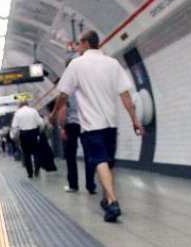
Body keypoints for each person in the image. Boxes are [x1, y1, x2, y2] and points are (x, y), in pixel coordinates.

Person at [49, 30, 145, 222]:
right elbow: (126, 95)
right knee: (109, 163)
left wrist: (53, 114)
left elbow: (64, 95)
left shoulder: (76, 65)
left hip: (91, 124)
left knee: (99, 160)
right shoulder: (112, 63)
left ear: (84, 43)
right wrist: (135, 120)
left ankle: (113, 200)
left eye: (78, 44)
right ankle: (107, 200)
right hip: (111, 122)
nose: (76, 48)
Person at [61, 89, 96, 194]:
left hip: (71, 125)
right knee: (89, 155)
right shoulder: (87, 90)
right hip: (86, 124)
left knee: (71, 155)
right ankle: (91, 186)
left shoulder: (67, 91)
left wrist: (62, 127)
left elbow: (63, 110)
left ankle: (73, 185)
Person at [11, 100, 44, 178]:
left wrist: (15, 137)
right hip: (34, 133)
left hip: (24, 134)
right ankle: (37, 169)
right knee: (36, 152)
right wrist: (40, 132)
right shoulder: (33, 111)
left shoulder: (17, 113)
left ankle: (30, 173)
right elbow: (41, 122)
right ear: (28, 104)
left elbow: (15, 127)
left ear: (20, 105)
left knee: (27, 154)